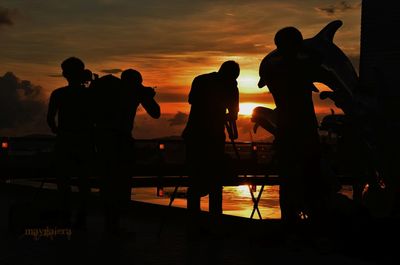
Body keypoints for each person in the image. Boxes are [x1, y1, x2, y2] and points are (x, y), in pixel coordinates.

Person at [259, 27, 330, 238]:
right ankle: (315, 228)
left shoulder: (272, 69)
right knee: (312, 179)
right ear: (297, 45)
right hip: (305, 130)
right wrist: (305, 48)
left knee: (287, 181)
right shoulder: (303, 65)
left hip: (285, 131)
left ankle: (288, 225)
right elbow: (319, 56)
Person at [182, 61, 240, 221]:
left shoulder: (200, 79)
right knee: (214, 181)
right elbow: (234, 114)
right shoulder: (229, 86)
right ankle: (215, 220)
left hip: (195, 134)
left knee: (195, 179)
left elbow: (192, 100)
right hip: (210, 137)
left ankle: (194, 219)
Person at [47, 57, 93, 229]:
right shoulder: (90, 94)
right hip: (84, 142)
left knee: (63, 182)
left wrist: (58, 132)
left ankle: (65, 215)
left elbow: (50, 119)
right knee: (84, 182)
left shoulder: (58, 94)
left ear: (65, 74)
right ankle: (81, 217)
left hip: (65, 141)